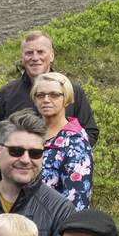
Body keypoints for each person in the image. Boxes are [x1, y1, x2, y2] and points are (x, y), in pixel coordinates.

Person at [0, 30, 98, 151]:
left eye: (40, 52)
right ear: (22, 57)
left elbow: (90, 131)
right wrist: (10, 153)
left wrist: (66, 155)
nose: (35, 58)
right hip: (18, 166)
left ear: (52, 55)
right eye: (29, 53)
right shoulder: (7, 93)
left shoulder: (72, 90)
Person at [33, 72, 94, 209]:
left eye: (54, 95)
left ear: (66, 98)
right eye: (40, 95)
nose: (46, 100)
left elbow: (77, 201)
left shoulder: (75, 142)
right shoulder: (29, 133)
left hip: (54, 224)